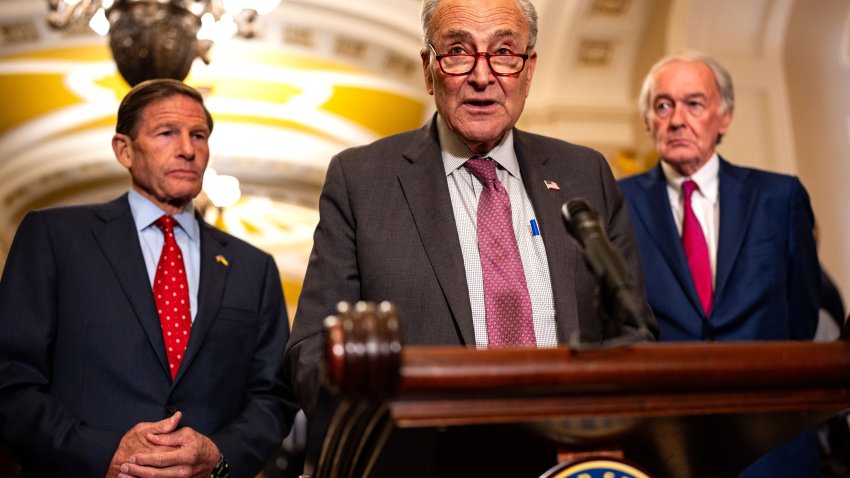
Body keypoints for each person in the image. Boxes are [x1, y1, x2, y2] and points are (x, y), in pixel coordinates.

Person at [285, 0, 656, 418]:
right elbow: (312, 352)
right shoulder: (361, 181)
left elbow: (633, 331)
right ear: (428, 69)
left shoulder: (585, 173)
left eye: (503, 53)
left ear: (528, 70)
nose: (482, 77)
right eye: (459, 51)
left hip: (569, 448)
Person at [0, 78, 297, 477]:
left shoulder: (253, 267)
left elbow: (273, 396)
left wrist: (218, 456)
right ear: (124, 150)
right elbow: (11, 381)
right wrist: (104, 453)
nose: (188, 150)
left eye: (199, 135)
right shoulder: (55, 238)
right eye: (166, 133)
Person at [618, 51, 822, 477]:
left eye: (694, 103)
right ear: (647, 121)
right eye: (663, 105)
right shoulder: (617, 202)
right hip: (665, 444)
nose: (677, 119)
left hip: (773, 441)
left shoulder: (779, 198)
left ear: (724, 117)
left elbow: (801, 319)